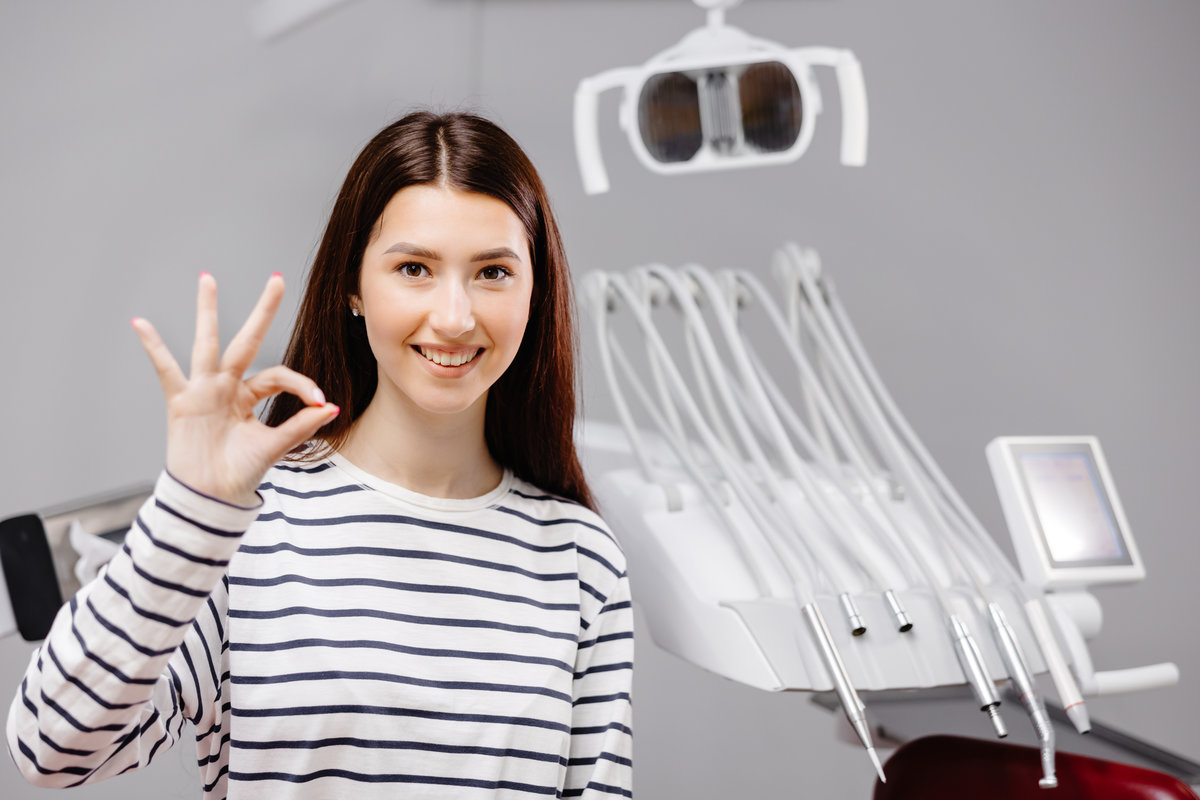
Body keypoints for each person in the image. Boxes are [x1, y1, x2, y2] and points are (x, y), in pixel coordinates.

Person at [7, 111, 633, 799]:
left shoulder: (581, 559)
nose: (455, 317)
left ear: (534, 290)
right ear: (354, 287)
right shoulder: (241, 529)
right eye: (415, 268)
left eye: (492, 272)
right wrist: (190, 511)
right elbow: (51, 751)